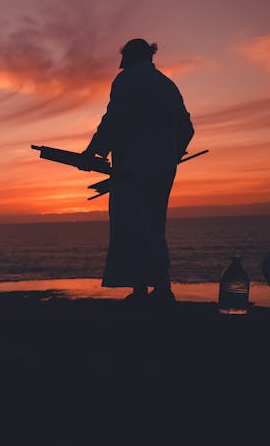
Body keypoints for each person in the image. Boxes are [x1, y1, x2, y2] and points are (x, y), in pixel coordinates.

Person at [81, 38, 194, 305]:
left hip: (132, 166)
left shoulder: (126, 80)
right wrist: (172, 153)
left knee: (134, 224)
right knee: (153, 224)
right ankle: (153, 287)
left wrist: (93, 152)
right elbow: (187, 128)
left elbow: (114, 118)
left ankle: (150, 289)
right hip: (164, 169)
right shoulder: (168, 85)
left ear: (128, 58)